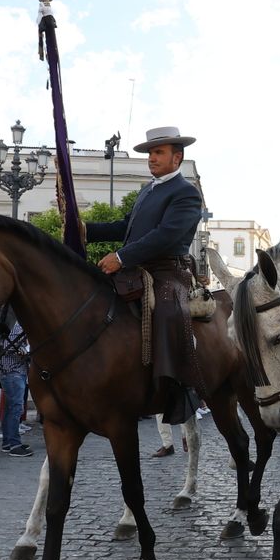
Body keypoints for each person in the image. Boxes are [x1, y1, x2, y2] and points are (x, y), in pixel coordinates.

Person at [89, 125, 206, 426]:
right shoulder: (146, 191)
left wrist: (121, 256)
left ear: (176, 157)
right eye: (150, 153)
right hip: (135, 269)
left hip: (169, 270)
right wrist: (86, 230)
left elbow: (166, 236)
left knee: (167, 310)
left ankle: (178, 387)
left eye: (158, 152)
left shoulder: (186, 193)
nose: (151, 159)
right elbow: (124, 228)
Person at [0, 320, 33, 458]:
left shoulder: (15, 324)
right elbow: (9, 346)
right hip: (13, 371)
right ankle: (14, 444)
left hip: (13, 371)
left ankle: (7, 442)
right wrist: (27, 351)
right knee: (16, 407)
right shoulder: (18, 325)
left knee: (10, 408)